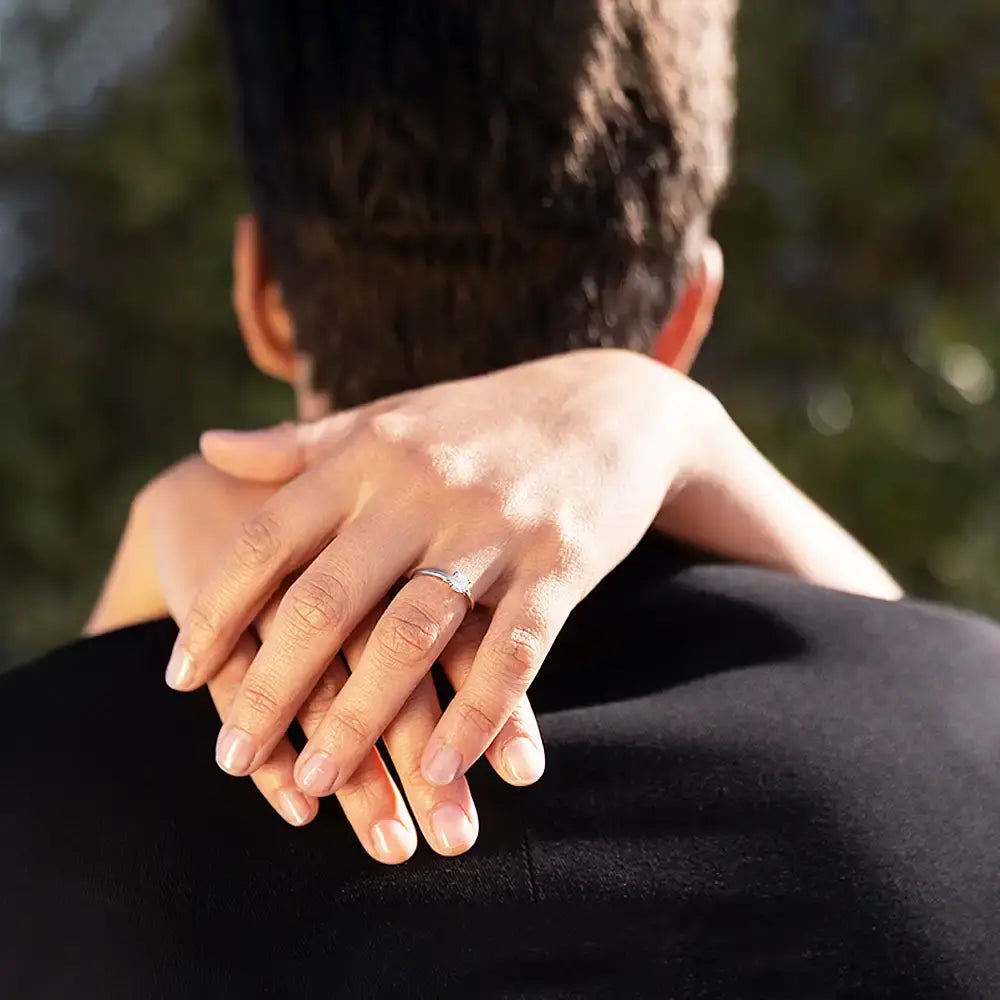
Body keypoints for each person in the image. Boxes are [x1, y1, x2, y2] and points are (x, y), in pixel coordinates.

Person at [4, 2, 1000, 996]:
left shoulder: (43, 793)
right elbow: (943, 714)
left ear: (260, 291)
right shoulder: (969, 741)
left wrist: (158, 544)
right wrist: (688, 434)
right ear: (688, 310)